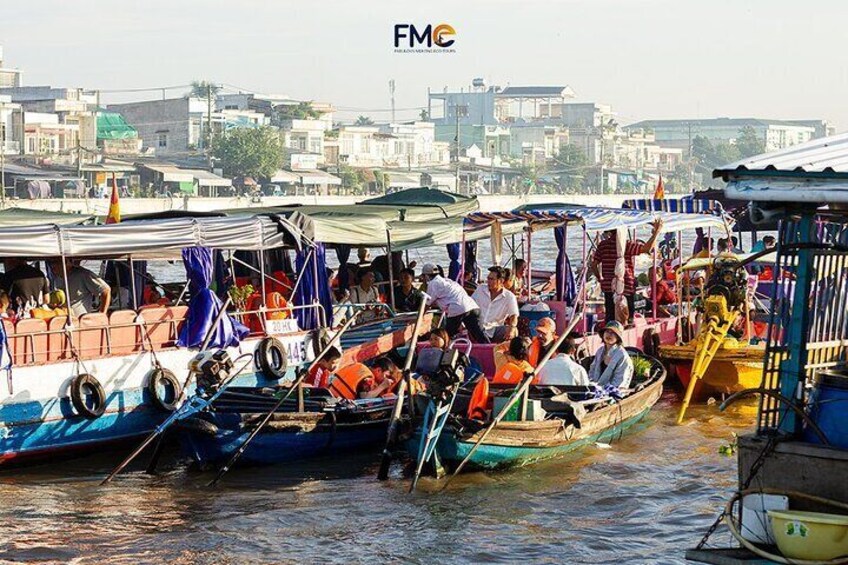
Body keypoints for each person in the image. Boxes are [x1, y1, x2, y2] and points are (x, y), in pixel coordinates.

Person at [591, 219, 663, 325]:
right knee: (626, 318)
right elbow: (646, 248)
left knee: (611, 317)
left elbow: (593, 265)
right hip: (626, 286)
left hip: (609, 287)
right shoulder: (626, 245)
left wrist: (600, 278)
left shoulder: (603, 245)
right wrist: (656, 232)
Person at [420, 263, 488, 343]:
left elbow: (427, 304)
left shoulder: (433, 284)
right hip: (472, 307)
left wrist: (419, 317)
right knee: (479, 335)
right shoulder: (448, 281)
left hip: (457, 309)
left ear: (426, 276)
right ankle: (490, 350)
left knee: (446, 335)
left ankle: (444, 352)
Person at [471, 266, 519, 342]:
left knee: (514, 331)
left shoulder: (509, 296)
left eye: (491, 279)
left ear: (501, 281)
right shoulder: (480, 289)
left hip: (494, 330)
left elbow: (514, 316)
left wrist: (512, 327)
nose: (488, 281)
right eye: (488, 278)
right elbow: (469, 305)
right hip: (476, 327)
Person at [588, 321, 634, 390]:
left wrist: (602, 390)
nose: (609, 335)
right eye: (607, 331)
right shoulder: (600, 351)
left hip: (612, 394)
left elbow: (619, 382)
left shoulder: (622, 356)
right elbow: (592, 371)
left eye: (613, 333)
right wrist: (591, 385)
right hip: (596, 390)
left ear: (618, 337)